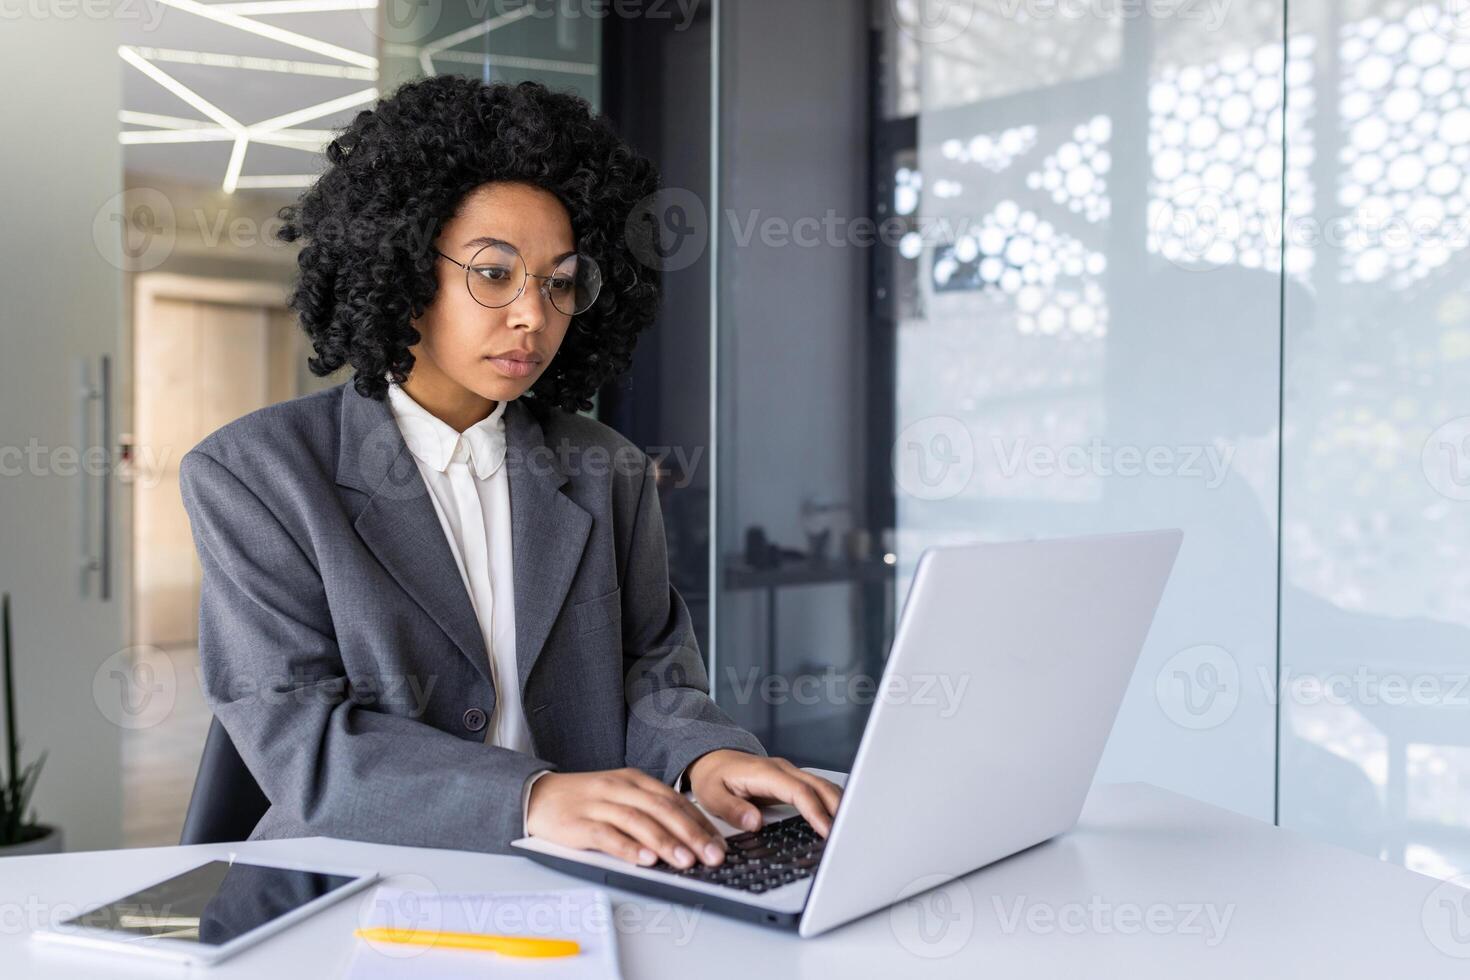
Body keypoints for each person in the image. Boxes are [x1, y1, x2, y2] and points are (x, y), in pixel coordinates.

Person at [178, 75, 841, 873]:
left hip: (585, 873)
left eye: (560, 282)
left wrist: (704, 757)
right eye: (493, 274)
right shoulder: (257, 474)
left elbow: (654, 678)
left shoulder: (607, 469)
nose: (534, 313)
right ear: (403, 267)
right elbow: (301, 742)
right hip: (351, 879)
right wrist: (530, 795)